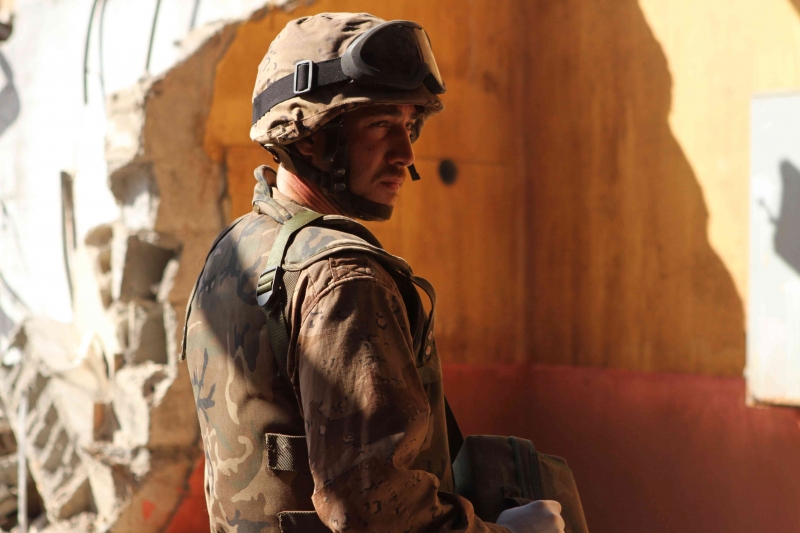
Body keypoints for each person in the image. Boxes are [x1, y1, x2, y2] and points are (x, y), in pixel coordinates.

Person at [181, 12, 565, 533]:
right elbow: (370, 508)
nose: (406, 154)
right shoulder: (344, 276)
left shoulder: (235, 249)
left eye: (409, 125)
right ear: (307, 136)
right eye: (382, 125)